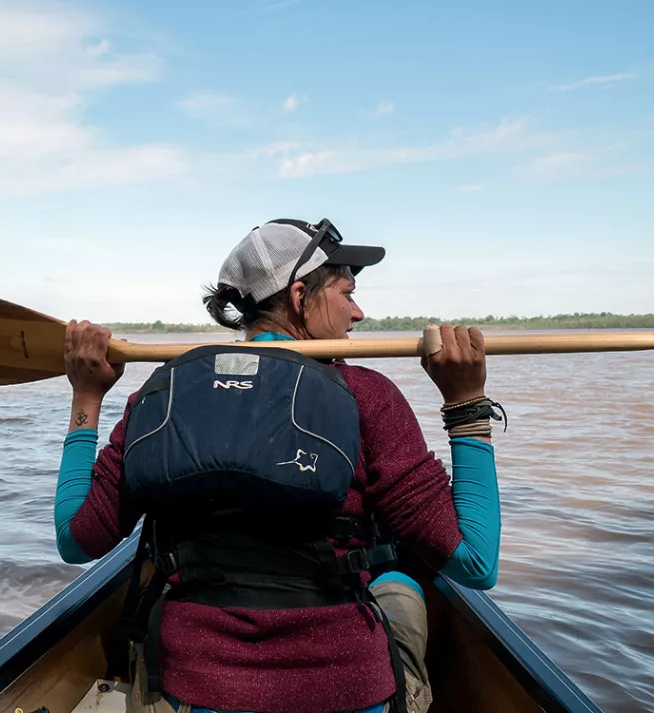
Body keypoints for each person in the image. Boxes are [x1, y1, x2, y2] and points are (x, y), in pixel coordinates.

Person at [54, 218, 502, 713]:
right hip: (348, 695)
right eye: (347, 293)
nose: (358, 312)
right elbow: (475, 562)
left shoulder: (159, 396)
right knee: (399, 589)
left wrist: (87, 395)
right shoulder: (367, 396)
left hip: (192, 690)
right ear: (299, 296)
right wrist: (466, 402)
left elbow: (76, 540)